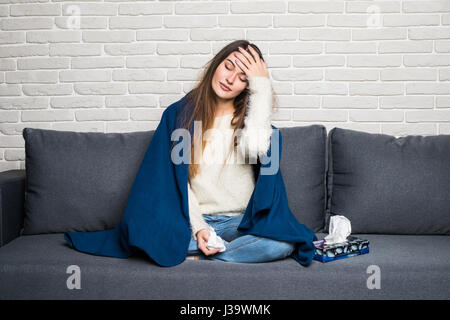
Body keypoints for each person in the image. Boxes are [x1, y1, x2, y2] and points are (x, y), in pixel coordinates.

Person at [177, 40, 296, 263]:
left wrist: (262, 88)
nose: (230, 80)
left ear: (248, 86)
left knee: (282, 242)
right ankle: (219, 248)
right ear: (216, 65)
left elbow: (256, 149)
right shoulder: (182, 115)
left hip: (239, 222)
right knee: (149, 235)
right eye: (228, 67)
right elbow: (178, 182)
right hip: (190, 219)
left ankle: (202, 254)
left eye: (243, 78)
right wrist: (201, 228)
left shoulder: (255, 123)